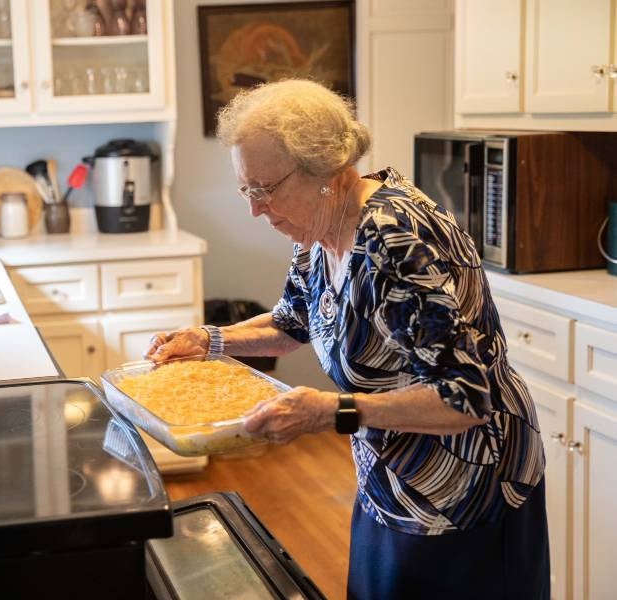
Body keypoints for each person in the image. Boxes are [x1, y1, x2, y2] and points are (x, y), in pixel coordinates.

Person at [145, 79, 548, 599]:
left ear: (325, 173)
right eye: (246, 189)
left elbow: (465, 397)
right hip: (391, 474)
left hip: (466, 488)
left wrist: (330, 411)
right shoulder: (318, 230)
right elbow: (293, 323)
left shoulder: (396, 239)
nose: (254, 209)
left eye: (264, 189)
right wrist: (208, 340)